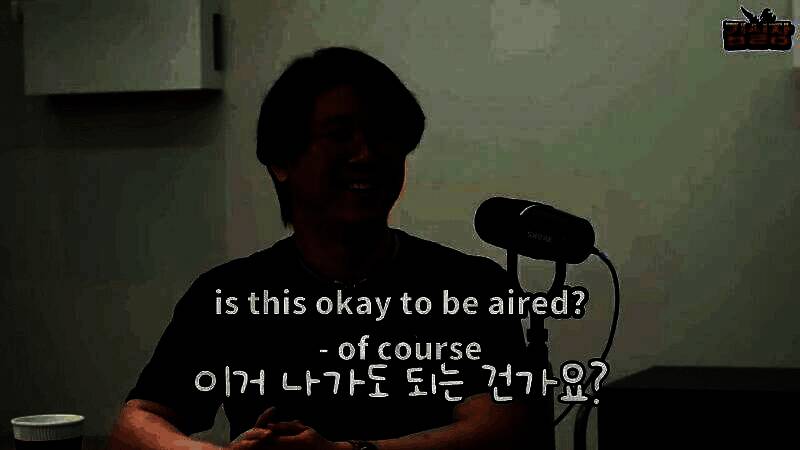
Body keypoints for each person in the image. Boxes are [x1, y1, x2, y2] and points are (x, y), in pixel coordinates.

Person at [109, 46, 546, 450]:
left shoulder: (468, 285)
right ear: (281, 161)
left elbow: (501, 426)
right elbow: (136, 423)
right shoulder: (228, 294)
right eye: (339, 135)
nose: (366, 155)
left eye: (383, 135)